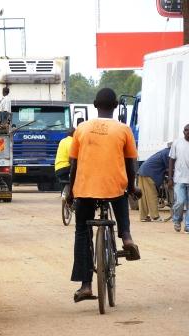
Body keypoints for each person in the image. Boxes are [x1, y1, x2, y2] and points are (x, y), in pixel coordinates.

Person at [67, 88, 142, 303]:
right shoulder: (123, 129)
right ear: (116, 106)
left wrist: (72, 192)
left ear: (94, 104)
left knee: (82, 231)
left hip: (85, 188)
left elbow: (74, 164)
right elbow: (130, 163)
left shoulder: (82, 128)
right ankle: (126, 236)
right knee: (120, 194)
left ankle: (86, 285)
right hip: (114, 186)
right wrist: (131, 187)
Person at [137, 146, 171, 222]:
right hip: (149, 173)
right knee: (152, 195)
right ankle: (155, 216)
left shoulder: (163, 152)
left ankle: (143, 216)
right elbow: (169, 168)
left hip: (143, 171)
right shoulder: (168, 153)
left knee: (143, 196)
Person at [168, 124, 189, 233]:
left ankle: (188, 226)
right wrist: (170, 178)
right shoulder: (177, 143)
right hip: (179, 179)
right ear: (183, 131)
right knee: (180, 202)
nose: (187, 132)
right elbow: (171, 160)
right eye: (185, 130)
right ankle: (177, 220)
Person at [54, 127, 75, 192]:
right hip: (65, 168)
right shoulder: (72, 142)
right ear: (74, 133)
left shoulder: (62, 141)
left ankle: (64, 195)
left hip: (58, 168)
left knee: (63, 185)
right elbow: (71, 159)